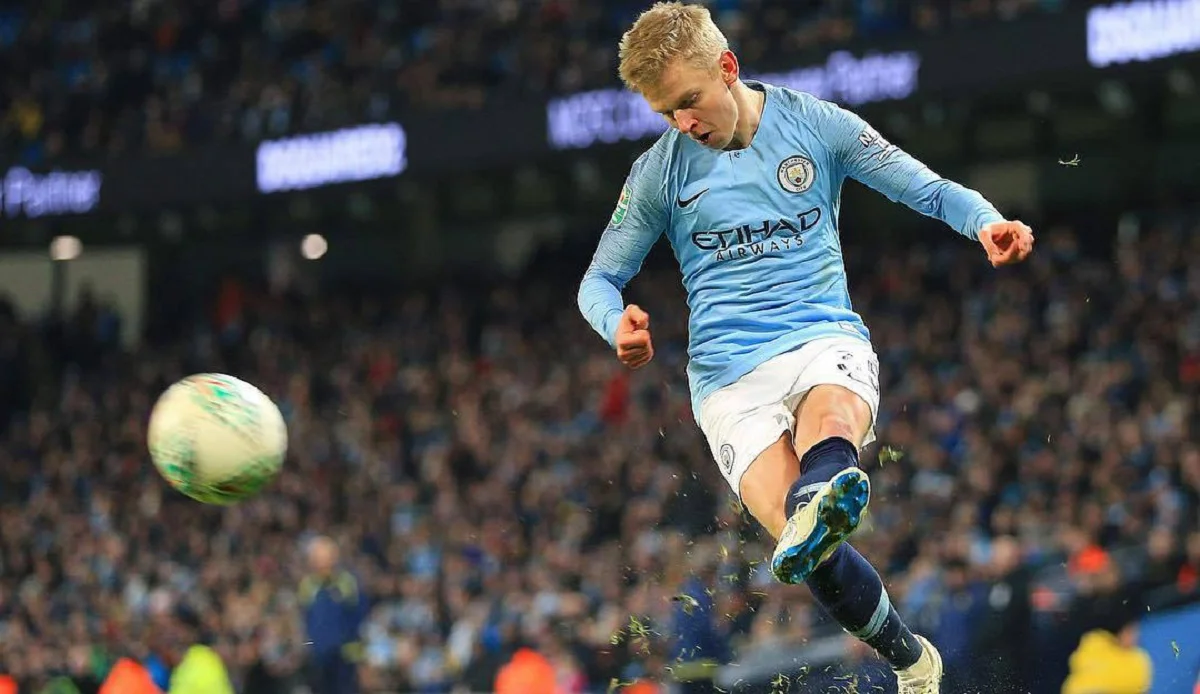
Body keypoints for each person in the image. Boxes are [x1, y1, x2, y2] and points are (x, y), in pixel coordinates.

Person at [575, 3, 1034, 692]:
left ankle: (821, 493)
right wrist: (616, 325)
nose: (683, 122)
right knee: (802, 545)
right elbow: (598, 281)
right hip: (728, 380)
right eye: (666, 112)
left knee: (827, 434)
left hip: (821, 338)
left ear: (728, 67)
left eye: (689, 101)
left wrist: (986, 223)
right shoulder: (658, 174)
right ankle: (912, 659)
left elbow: (928, 189)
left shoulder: (816, 125)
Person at [299, 536, 369, 694]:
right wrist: (309, 647)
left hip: (345, 655)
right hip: (319, 655)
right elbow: (306, 620)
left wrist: (356, 651)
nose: (323, 563)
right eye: (318, 558)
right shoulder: (307, 585)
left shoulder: (347, 582)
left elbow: (357, 616)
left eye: (327, 557)